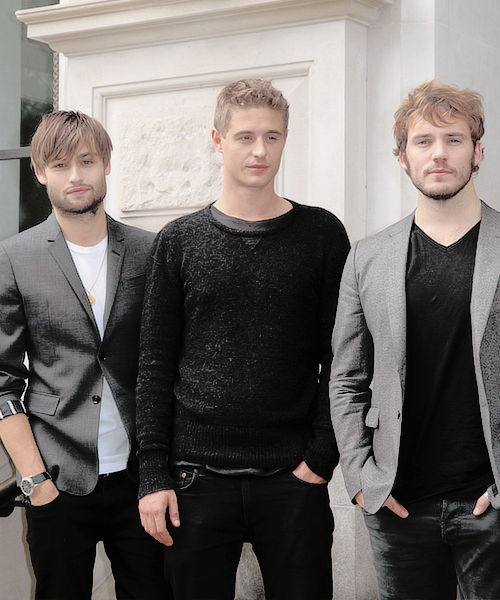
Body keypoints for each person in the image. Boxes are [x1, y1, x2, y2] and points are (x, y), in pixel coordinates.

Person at [135, 78, 350, 600]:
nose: (260, 150)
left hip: (293, 479)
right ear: (217, 139)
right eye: (246, 136)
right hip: (195, 481)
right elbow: (154, 364)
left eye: (273, 137)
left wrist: (320, 459)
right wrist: (152, 475)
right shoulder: (179, 241)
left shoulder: (321, 234)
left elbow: (343, 356)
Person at [330, 79, 500, 600]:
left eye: (453, 139)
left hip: (491, 505)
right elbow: (346, 377)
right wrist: (360, 478)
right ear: (402, 157)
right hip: (397, 502)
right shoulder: (367, 256)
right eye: (423, 141)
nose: (439, 154)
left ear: (478, 151)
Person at [0, 110, 167, 600]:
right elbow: (2, 381)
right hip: (56, 478)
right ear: (39, 173)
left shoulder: (149, 250)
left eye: (86, 161)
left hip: (141, 480)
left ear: (106, 164)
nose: (75, 176)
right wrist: (34, 482)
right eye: (59, 165)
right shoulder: (15, 257)